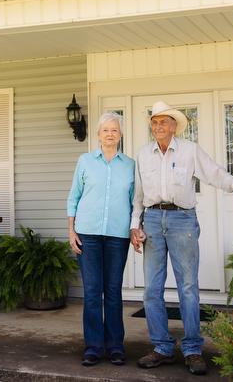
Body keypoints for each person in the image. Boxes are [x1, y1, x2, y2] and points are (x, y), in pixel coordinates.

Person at [130, 100, 233, 376]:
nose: (159, 126)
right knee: (151, 290)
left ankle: (192, 350)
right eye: (155, 122)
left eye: (164, 122)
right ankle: (162, 348)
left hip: (183, 220)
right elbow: (139, 197)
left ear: (174, 126)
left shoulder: (190, 150)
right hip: (153, 221)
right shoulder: (143, 155)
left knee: (188, 287)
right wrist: (135, 226)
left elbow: (214, 173)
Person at [67, 112, 135, 367]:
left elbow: (134, 201)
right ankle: (94, 347)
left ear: (120, 135)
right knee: (93, 292)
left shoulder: (130, 165)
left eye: (114, 130)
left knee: (114, 292)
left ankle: (116, 346)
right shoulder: (85, 161)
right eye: (105, 130)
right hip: (87, 234)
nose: (110, 134)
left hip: (118, 235)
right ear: (98, 134)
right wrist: (71, 231)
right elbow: (73, 197)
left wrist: (134, 229)